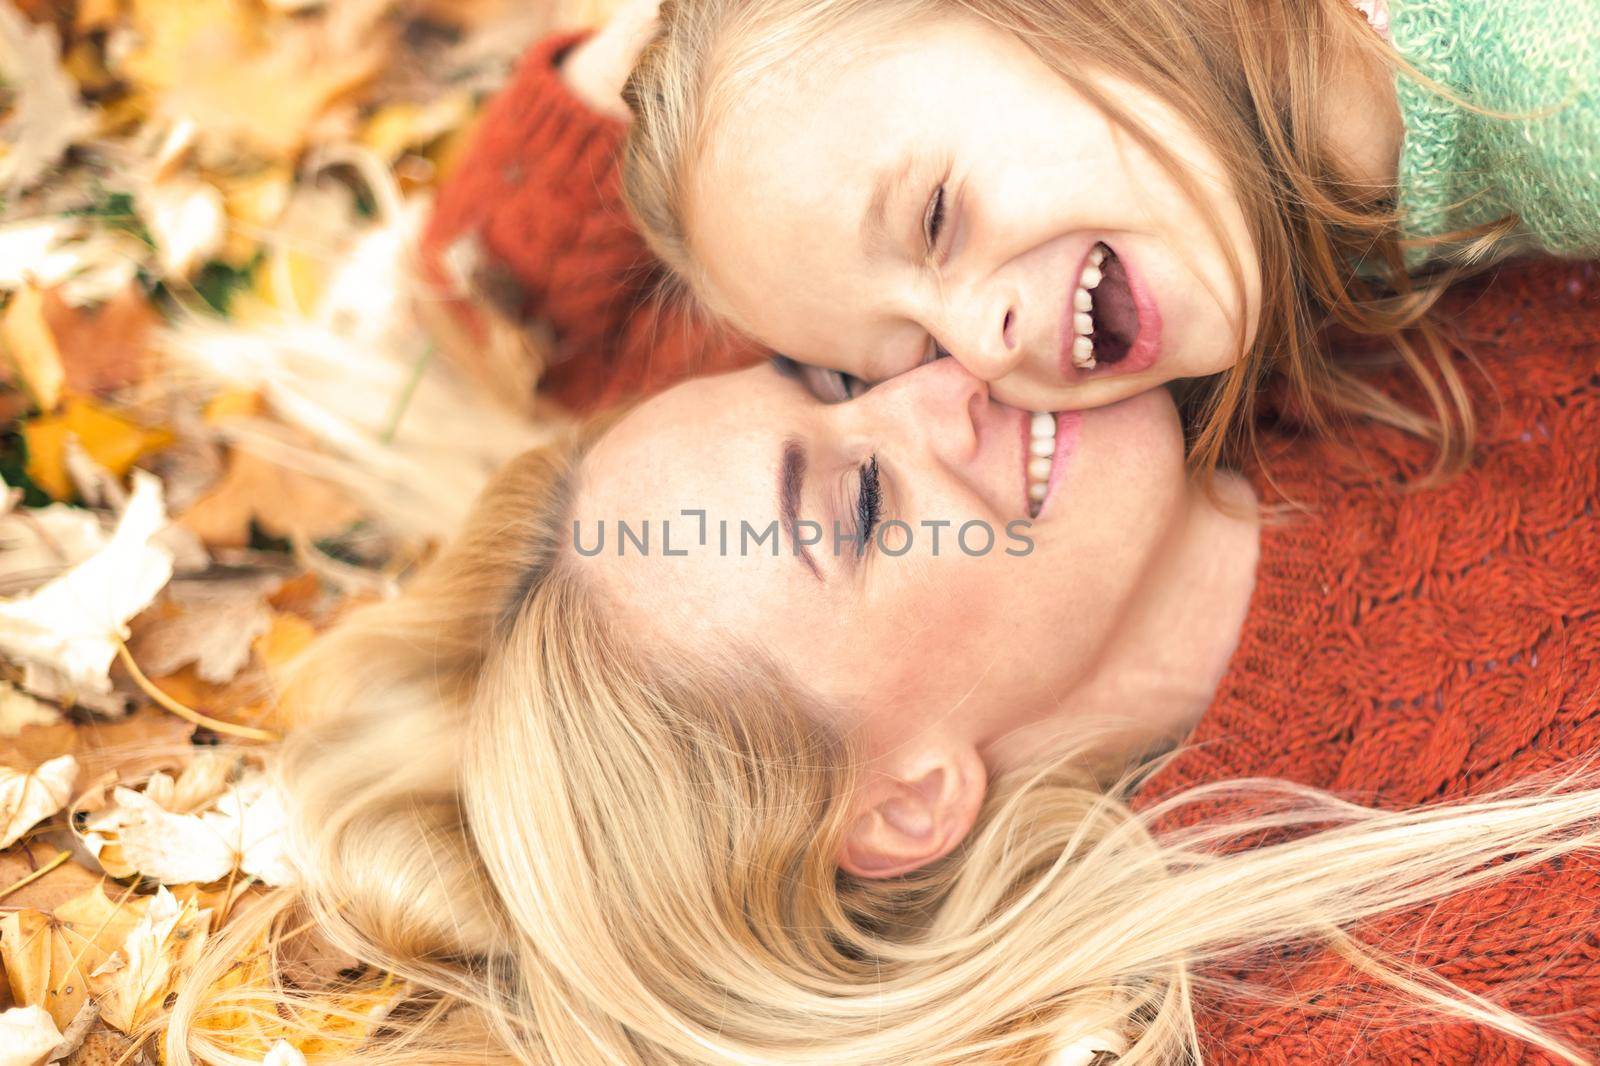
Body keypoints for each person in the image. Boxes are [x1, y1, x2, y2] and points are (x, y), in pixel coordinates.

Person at [165, 254, 1600, 1066]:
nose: (943, 383)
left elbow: (597, 236)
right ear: (909, 803)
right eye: (856, 506)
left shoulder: (1155, 274)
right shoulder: (1405, 993)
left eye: (835, 380)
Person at [616, 0, 1599, 475]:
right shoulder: (1289, 206)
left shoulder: (1553, 79)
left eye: (934, 217)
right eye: (918, 355)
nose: (981, 342)